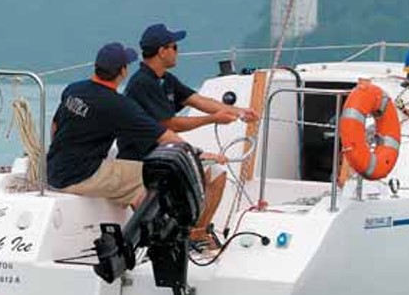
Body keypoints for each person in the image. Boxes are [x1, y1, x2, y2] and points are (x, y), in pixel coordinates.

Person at [46, 42, 215, 208]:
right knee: (154, 178)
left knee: (127, 174)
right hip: (80, 176)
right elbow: (165, 136)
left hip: (53, 170)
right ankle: (146, 233)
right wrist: (196, 155)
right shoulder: (118, 105)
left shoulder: (74, 89)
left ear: (96, 67)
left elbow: (55, 127)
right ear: (123, 71)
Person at [118, 23, 258, 160]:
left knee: (215, 175)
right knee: (204, 171)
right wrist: (213, 119)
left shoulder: (166, 79)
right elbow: (171, 124)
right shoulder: (143, 83)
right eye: (175, 47)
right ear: (162, 52)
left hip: (161, 151)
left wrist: (240, 112)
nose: (177, 52)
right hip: (140, 157)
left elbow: (199, 101)